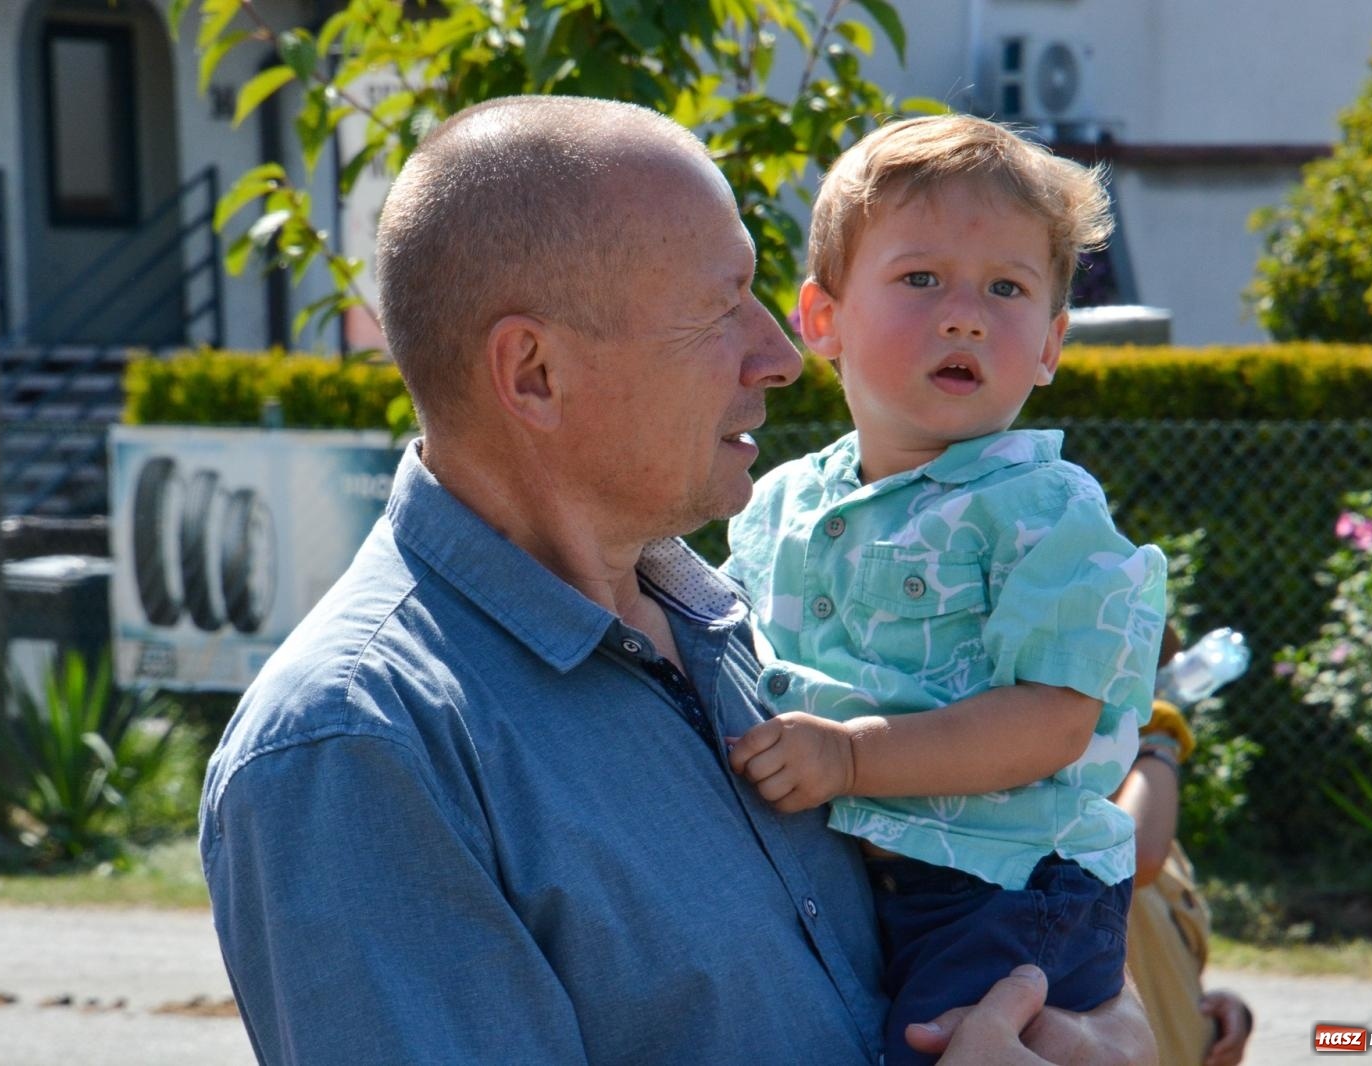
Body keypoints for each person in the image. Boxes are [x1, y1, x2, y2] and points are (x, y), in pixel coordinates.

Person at [199, 95, 1155, 1065]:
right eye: (717, 308)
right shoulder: (359, 748)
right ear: (533, 372)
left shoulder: (740, 626)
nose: (780, 355)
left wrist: (1102, 1032)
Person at [723, 114, 1167, 1066]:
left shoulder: (1047, 512)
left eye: (1006, 288)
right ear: (822, 318)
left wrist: (847, 757)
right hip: (869, 884)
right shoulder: (777, 506)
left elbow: (1049, 722)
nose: (964, 313)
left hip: (1014, 891)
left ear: (1050, 345)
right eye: (921, 278)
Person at [1114, 627, 1254, 1066]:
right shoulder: (1074, 826)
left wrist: (1224, 1011)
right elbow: (1135, 860)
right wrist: (1157, 747)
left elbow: (1163, 969)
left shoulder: (1159, 826)